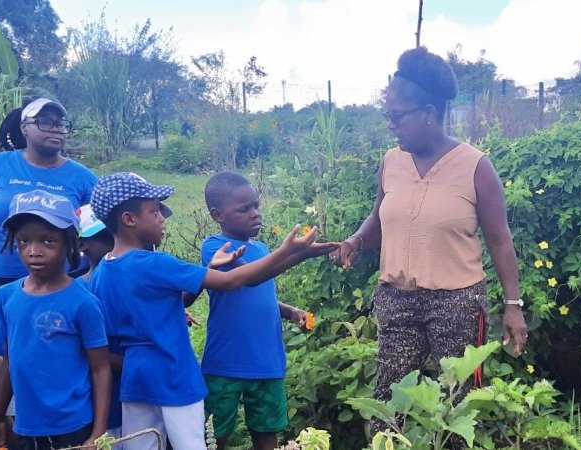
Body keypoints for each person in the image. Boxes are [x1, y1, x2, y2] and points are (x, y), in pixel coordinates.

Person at [328, 47, 529, 406]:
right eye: (387, 114)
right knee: (391, 402)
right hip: (397, 299)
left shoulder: (476, 168)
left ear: (429, 115)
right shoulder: (392, 161)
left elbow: (499, 240)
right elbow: (379, 218)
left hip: (457, 304)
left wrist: (513, 304)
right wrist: (355, 241)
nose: (390, 123)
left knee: (459, 402)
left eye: (397, 116)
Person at [86, 172, 336, 450]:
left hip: (136, 376)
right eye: (155, 211)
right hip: (174, 373)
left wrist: (211, 270)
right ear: (129, 219)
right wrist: (291, 251)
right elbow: (232, 281)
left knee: (141, 445)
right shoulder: (156, 264)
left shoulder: (101, 273)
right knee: (192, 444)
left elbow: (171, 302)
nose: (162, 217)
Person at [0, 190, 110, 450]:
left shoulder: (83, 302)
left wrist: (97, 433)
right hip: (26, 427)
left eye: (48, 241)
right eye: (24, 241)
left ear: (70, 244)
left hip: (74, 428)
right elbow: (10, 361)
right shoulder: (5, 296)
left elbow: (100, 369)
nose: (34, 251)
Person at [199, 172, 313, 450]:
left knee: (267, 434)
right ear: (218, 215)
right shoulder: (216, 248)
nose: (255, 214)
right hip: (225, 363)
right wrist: (291, 252)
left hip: (266, 361)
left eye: (256, 206)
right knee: (214, 436)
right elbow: (247, 278)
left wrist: (289, 311)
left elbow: (259, 295)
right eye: (244, 209)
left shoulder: (261, 248)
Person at [0, 97, 98, 292]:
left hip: (66, 279)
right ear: (24, 127)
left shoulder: (83, 177)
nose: (55, 128)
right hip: (5, 279)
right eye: (45, 122)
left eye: (60, 123)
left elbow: (96, 228)